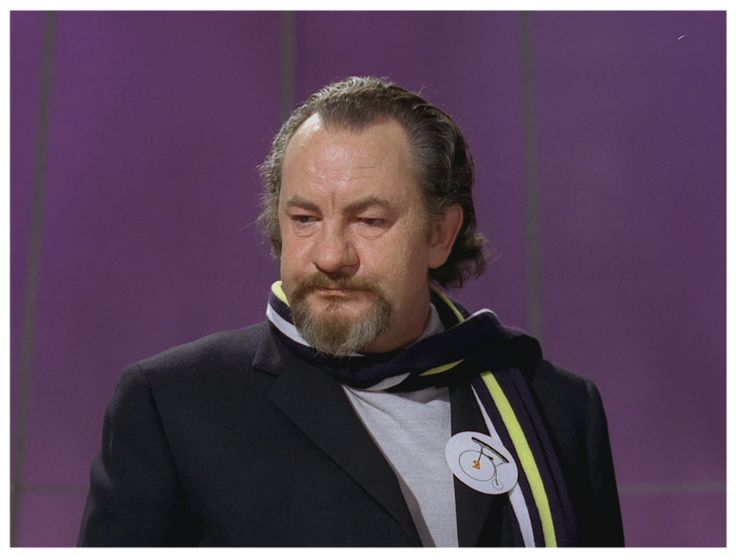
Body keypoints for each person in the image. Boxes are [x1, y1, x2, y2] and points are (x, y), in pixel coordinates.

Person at [78, 76, 624, 547]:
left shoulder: (557, 408)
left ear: (440, 235)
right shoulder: (174, 405)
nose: (331, 255)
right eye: (305, 219)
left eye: (369, 221)